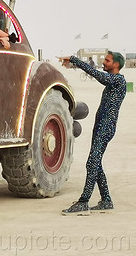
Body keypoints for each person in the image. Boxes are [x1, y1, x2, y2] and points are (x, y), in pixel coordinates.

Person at [61, 52, 126, 215]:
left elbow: (97, 75)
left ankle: (84, 201)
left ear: (116, 65)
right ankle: (106, 200)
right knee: (95, 163)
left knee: (91, 163)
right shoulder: (113, 82)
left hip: (106, 127)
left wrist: (75, 60)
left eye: (107, 60)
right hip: (100, 126)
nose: (104, 62)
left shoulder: (118, 80)